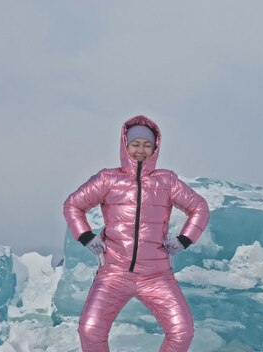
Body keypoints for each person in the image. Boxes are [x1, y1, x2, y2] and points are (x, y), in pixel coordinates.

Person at [63, 115, 210, 352]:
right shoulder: (107, 179)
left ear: (155, 148)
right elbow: (73, 205)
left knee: (182, 332)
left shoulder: (167, 181)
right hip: (113, 274)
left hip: (157, 276)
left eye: (147, 144)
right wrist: (86, 237)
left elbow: (199, 207)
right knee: (90, 330)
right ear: (125, 145)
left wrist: (184, 240)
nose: (141, 150)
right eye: (135, 144)